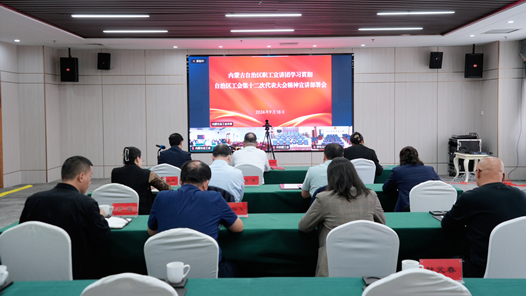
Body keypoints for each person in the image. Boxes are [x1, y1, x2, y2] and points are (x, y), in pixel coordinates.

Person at [19, 156, 111, 279]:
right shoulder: (86, 203)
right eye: (90, 177)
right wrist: (100, 215)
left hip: (38, 270)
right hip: (79, 272)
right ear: (81, 176)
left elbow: (22, 233)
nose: (90, 182)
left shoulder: (34, 200)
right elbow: (103, 238)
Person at [147, 160, 244, 277]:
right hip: (208, 272)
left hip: (169, 271)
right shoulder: (214, 198)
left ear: (180, 181)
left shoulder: (161, 197)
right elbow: (238, 227)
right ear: (206, 184)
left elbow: (152, 232)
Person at [298, 157, 386, 277]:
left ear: (331, 177)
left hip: (331, 265)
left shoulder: (324, 198)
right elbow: (382, 224)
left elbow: (304, 226)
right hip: (366, 262)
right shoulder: (370, 195)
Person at [441, 157, 526, 277]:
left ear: (478, 173)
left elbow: (447, 225)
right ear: (503, 176)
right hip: (518, 270)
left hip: (478, 270)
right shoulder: (522, 196)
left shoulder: (470, 198)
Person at [111, 147, 170, 215]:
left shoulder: (115, 172)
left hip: (120, 211)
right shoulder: (147, 174)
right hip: (142, 212)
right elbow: (167, 188)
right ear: (137, 159)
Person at [382, 146, 440, 212]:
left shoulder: (398, 171)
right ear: (418, 157)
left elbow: (386, 188)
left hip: (407, 209)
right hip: (429, 207)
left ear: (401, 158)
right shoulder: (430, 170)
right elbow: (441, 185)